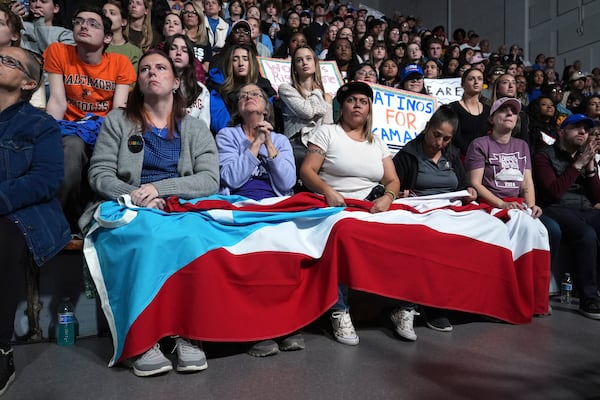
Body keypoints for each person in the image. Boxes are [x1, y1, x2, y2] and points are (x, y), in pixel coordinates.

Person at [85, 50, 219, 376]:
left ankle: (187, 333)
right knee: (146, 235)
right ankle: (142, 338)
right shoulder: (118, 121)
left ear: (175, 82)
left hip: (177, 206)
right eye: (144, 69)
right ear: (138, 82)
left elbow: (209, 179)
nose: (151, 73)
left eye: (160, 68)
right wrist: (135, 196)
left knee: (195, 236)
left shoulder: (195, 128)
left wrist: (162, 190)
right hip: (128, 206)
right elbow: (100, 173)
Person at [299, 81, 401, 346]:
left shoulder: (376, 141)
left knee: (408, 232)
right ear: (341, 106)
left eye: (363, 101)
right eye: (351, 100)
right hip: (337, 205)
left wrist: (389, 198)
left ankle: (402, 304)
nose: (357, 105)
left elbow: (392, 180)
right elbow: (307, 171)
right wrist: (328, 191)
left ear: (369, 110)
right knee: (345, 233)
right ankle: (339, 308)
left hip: (373, 204)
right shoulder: (327, 132)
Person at [0, 46, 70, 397]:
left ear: (29, 82)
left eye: (7, 60)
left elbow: (45, 180)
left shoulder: (39, 124)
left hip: (23, 212)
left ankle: (1, 352)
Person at [44, 5, 137, 234]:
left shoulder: (119, 63)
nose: (84, 26)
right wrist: (45, 138)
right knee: (72, 147)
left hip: (104, 129)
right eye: (79, 21)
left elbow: (118, 110)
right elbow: (57, 101)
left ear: (107, 37)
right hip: (70, 129)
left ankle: (99, 220)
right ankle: (59, 223)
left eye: (93, 24)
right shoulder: (58, 51)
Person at [392, 106, 477, 339]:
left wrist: (469, 191)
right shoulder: (408, 155)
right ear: (427, 127)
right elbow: (392, 186)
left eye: (446, 139)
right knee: (432, 240)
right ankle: (422, 305)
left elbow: (461, 186)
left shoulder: (452, 155)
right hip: (422, 213)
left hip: (451, 211)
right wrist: (400, 194)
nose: (440, 143)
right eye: (436, 135)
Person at [465, 97, 550, 316]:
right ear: (492, 118)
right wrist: (502, 203)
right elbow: (474, 183)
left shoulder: (522, 145)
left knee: (539, 228)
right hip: (489, 205)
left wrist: (532, 206)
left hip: (518, 205)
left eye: (513, 111)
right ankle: (510, 295)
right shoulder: (480, 144)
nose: (510, 114)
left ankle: (532, 295)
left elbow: (527, 182)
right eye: (504, 110)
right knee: (524, 228)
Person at [533, 114, 600, 319]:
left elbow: (596, 197)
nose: (582, 132)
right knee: (586, 234)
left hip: (585, 209)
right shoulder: (543, 156)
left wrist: (590, 169)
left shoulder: (585, 157)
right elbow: (553, 192)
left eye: (586, 130)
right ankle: (588, 298)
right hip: (556, 208)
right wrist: (578, 164)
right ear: (561, 132)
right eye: (576, 128)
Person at [278, 46, 333, 173]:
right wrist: (318, 93)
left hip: (319, 144)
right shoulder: (286, 89)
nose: (304, 62)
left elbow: (328, 126)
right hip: (297, 143)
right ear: (295, 68)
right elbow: (307, 112)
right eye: (299, 60)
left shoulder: (326, 96)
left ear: (315, 63)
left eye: (308, 58)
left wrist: (325, 102)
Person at [207, 43, 276, 134]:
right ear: (229, 64)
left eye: (245, 59)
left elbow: (268, 117)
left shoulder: (265, 87)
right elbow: (221, 124)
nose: (241, 63)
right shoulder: (219, 88)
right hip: (230, 139)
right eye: (235, 60)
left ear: (252, 63)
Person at [165, 34, 211, 126]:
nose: (178, 53)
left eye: (184, 50)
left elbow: (204, 126)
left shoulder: (201, 90)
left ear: (190, 57)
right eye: (173, 48)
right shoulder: (156, 85)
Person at [449, 67, 491, 157]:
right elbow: (455, 136)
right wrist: (472, 152)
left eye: (480, 79)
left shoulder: (488, 110)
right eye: (471, 79)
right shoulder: (453, 108)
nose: (476, 82)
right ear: (462, 84)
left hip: (484, 157)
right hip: (460, 158)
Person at [103, 0, 144, 72]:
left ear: (123, 22)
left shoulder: (134, 52)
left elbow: (131, 81)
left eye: (112, 13)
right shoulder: (95, 47)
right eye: (103, 13)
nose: (106, 16)